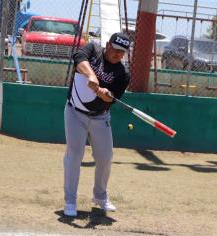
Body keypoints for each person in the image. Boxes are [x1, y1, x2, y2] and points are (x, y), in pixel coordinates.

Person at [63, 32, 131, 217]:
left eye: (122, 52)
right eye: (116, 49)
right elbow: (78, 58)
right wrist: (92, 75)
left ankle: (100, 197)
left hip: (101, 117)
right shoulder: (93, 49)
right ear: (108, 45)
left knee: (105, 157)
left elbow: (112, 99)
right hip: (75, 113)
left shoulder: (123, 73)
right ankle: (70, 200)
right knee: (74, 156)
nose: (118, 54)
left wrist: (105, 94)